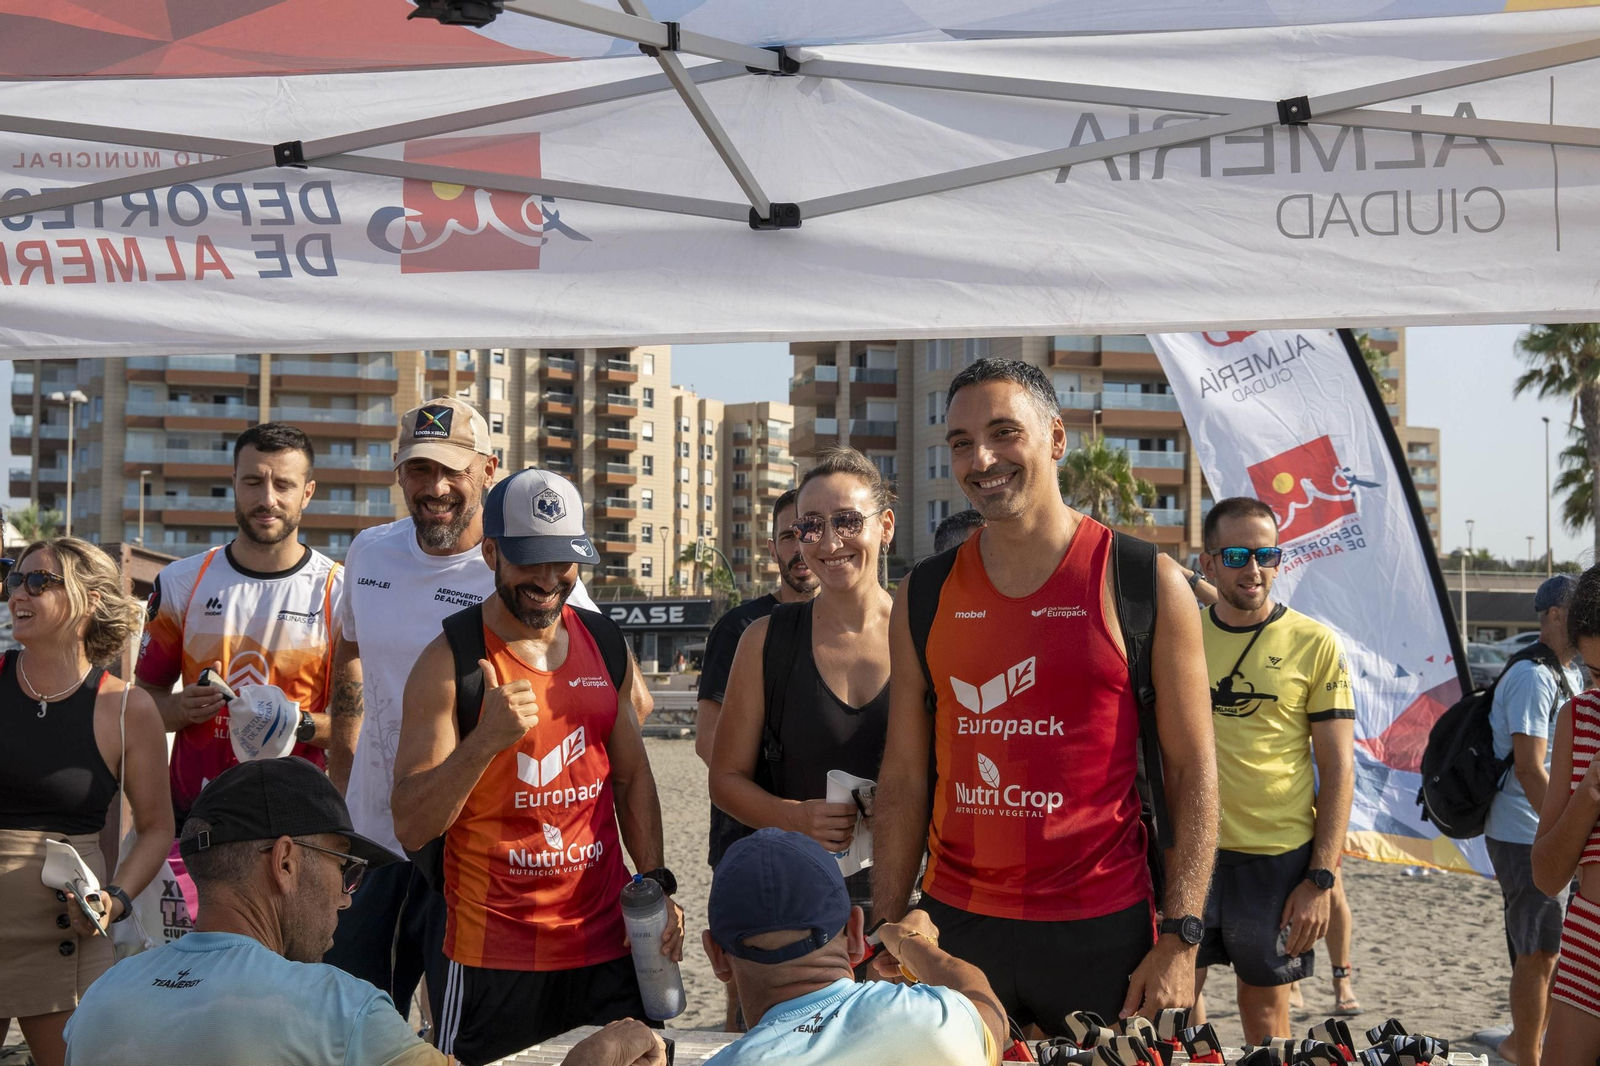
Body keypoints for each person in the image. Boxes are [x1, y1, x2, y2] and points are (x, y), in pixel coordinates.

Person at [872, 358, 1219, 1032]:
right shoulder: (924, 593)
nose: (982, 459)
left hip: (1100, 926)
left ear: (1057, 438)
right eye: (962, 442)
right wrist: (889, 920)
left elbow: (1193, 770)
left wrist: (1182, 936)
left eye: (1004, 433)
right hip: (955, 922)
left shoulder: (1143, 581)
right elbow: (905, 774)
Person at [62, 757, 667, 1066]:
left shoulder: (102, 1000)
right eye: (344, 869)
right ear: (285, 862)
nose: (348, 896)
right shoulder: (336, 1008)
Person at [321, 398, 617, 1023]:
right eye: (419, 469)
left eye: (453, 470)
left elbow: (612, 689)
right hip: (374, 837)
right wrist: (343, 772)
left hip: (478, 853)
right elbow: (350, 650)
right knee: (350, 1021)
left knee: (455, 1032)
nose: (436, 488)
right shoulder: (370, 552)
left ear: (488, 469)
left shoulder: (524, 566)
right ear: (398, 472)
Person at [391, 467, 684, 1066]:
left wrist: (655, 883)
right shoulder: (448, 662)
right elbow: (411, 824)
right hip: (492, 955)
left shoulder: (603, 642)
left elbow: (632, 778)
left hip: (607, 945)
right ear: (491, 553)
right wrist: (484, 742)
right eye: (530, 561)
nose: (549, 580)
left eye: (564, 560)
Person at [0, 539, 173, 1066]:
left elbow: (156, 828)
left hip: (68, 933)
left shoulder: (126, 708)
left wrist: (114, 900)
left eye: (38, 581)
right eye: (14, 579)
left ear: (90, 600)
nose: (17, 593)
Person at [1190, 497, 1355, 1046]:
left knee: (1265, 1021)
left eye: (1266, 555)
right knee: (1175, 1009)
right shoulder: (1179, 636)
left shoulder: (1316, 643)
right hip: (1191, 852)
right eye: (1236, 555)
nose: (1254, 569)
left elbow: (1338, 769)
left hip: (1277, 859)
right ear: (1208, 563)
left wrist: (1320, 879)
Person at [710, 448, 895, 924]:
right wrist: (793, 817)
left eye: (848, 521)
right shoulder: (765, 640)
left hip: (909, 899)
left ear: (886, 527)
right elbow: (725, 780)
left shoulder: (924, 635)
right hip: (799, 903)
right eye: (810, 526)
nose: (829, 542)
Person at [135, 423, 340, 835]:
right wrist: (181, 708)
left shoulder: (339, 591)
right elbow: (143, 704)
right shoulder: (181, 582)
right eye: (252, 482)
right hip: (197, 819)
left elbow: (359, 726)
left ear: (307, 492)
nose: (267, 499)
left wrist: (297, 723)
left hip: (297, 821)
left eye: (283, 484)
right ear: (233, 483)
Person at [701, 827, 1003, 1066]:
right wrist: (912, 943)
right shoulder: (932, 1022)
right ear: (857, 932)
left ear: (717, 957)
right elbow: (989, 1013)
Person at [695, 486, 818, 1030]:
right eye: (789, 535)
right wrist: (780, 807)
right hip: (747, 841)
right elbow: (707, 740)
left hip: (834, 843)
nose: (801, 547)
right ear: (772, 548)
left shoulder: (859, 625)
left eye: (809, 532)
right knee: (748, 1002)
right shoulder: (741, 628)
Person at [1484, 574, 1582, 1065]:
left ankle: (1521, 1043)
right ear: (1558, 616)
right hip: (1524, 832)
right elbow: (1528, 767)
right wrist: (1563, 833)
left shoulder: (1568, 672)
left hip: (1541, 830)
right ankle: (1526, 1055)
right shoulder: (1533, 676)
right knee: (1537, 951)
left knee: (1551, 949)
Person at [1530, 565, 1600, 1064]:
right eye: (1597, 674)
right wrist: (1589, 793)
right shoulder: (1580, 718)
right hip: (1591, 938)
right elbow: (1547, 875)